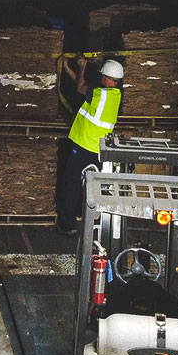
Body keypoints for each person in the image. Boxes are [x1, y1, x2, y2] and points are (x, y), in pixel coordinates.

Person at [56, 57, 122, 235]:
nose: (101, 78)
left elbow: (80, 87)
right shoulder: (114, 96)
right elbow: (83, 85)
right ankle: (91, 223)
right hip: (97, 150)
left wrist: (82, 67)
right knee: (90, 187)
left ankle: (67, 225)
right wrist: (67, 69)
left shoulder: (101, 94)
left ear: (108, 78)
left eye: (103, 76)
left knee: (70, 184)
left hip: (84, 146)